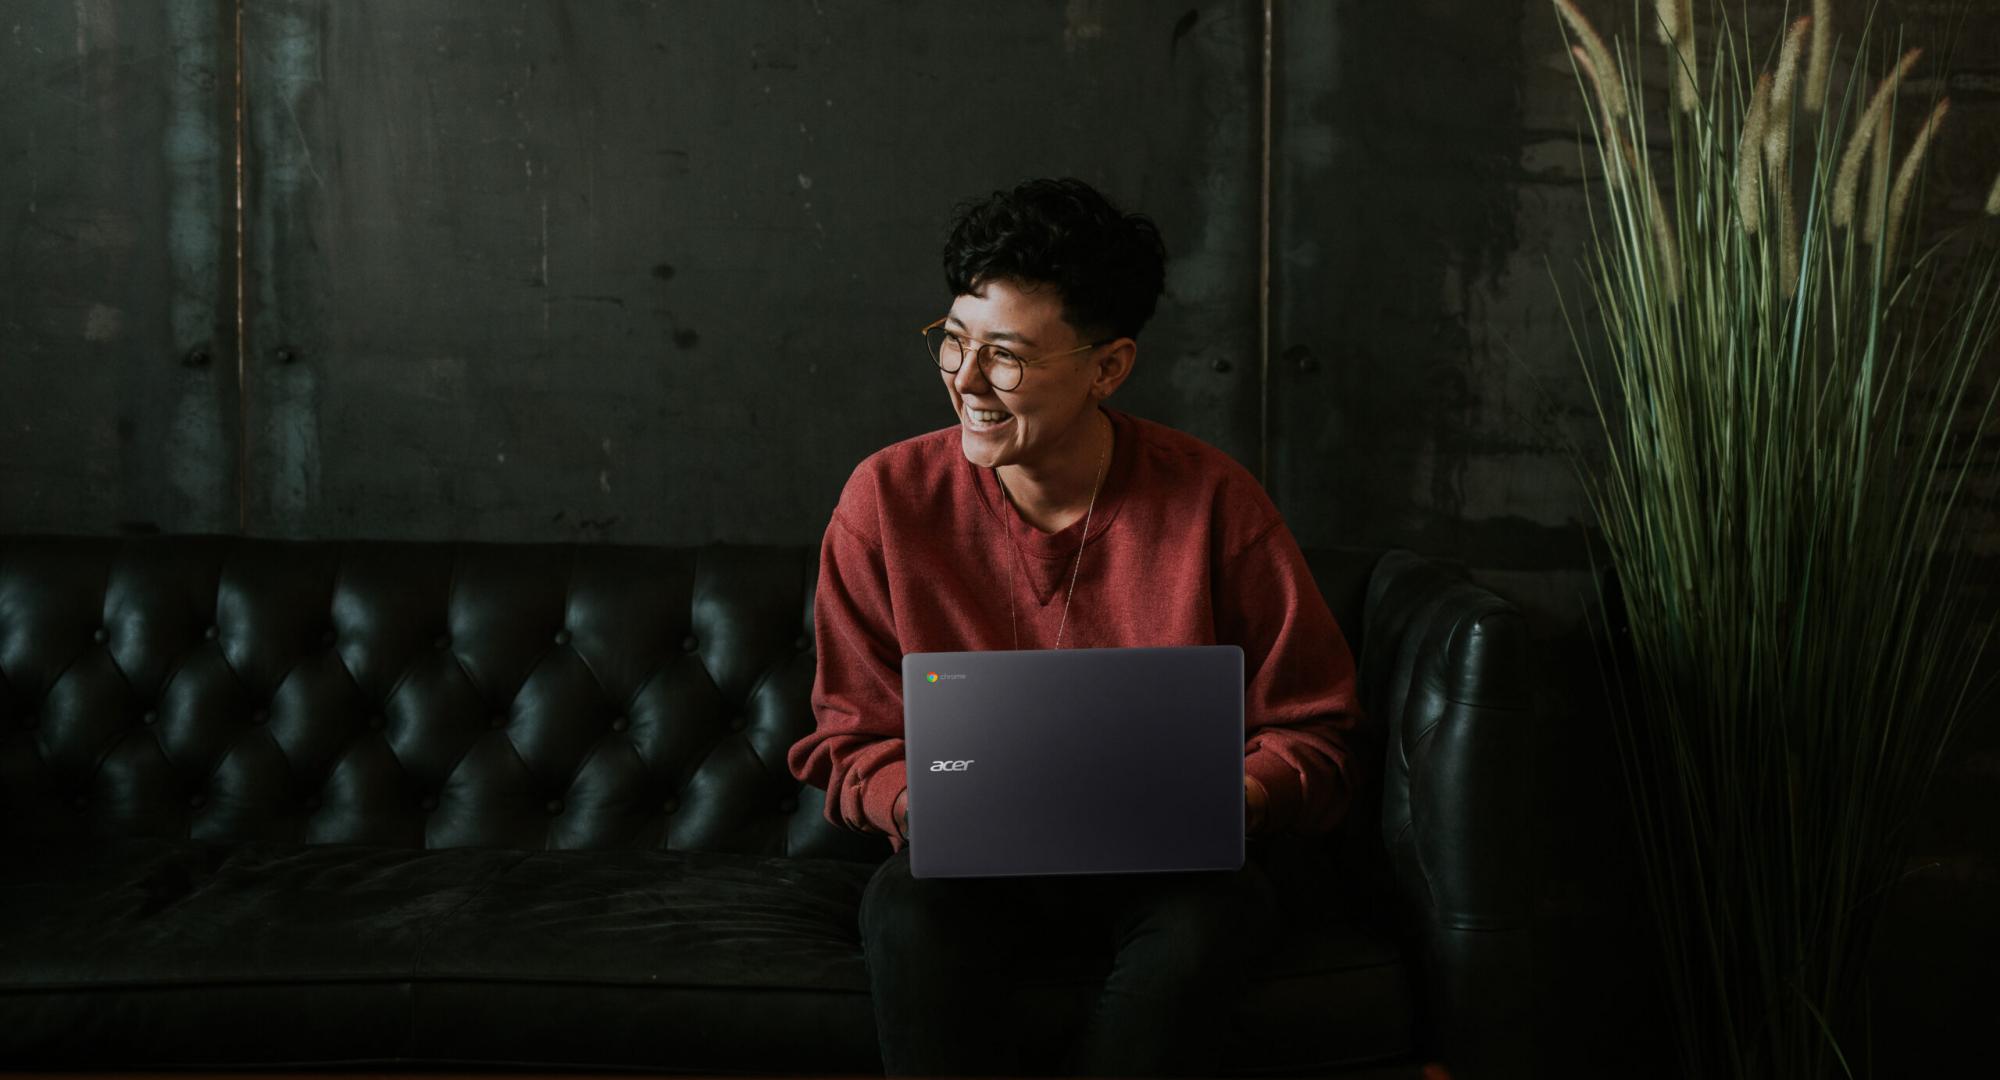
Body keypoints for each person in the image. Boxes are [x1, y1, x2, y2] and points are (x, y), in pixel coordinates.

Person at [785, 177, 1363, 1077]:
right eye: (954, 341)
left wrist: (1228, 800)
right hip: (968, 873)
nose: (967, 381)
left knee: (1220, 915)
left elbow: (1314, 730)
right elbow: (849, 737)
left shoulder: (1212, 501)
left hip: (1174, 876)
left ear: (1109, 367)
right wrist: (915, 802)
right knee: (905, 908)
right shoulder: (887, 501)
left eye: (1006, 355)